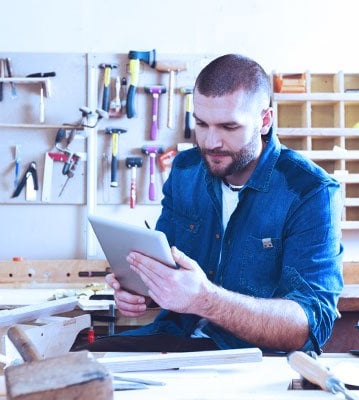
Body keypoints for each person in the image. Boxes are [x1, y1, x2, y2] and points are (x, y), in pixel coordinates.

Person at [81, 54, 343, 354]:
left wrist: (205, 299)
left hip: (254, 359)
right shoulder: (185, 170)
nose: (211, 142)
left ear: (264, 120)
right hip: (175, 339)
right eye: (202, 124)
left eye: (229, 127)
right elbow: (167, 267)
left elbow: (310, 327)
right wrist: (142, 289)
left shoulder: (311, 192)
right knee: (79, 362)